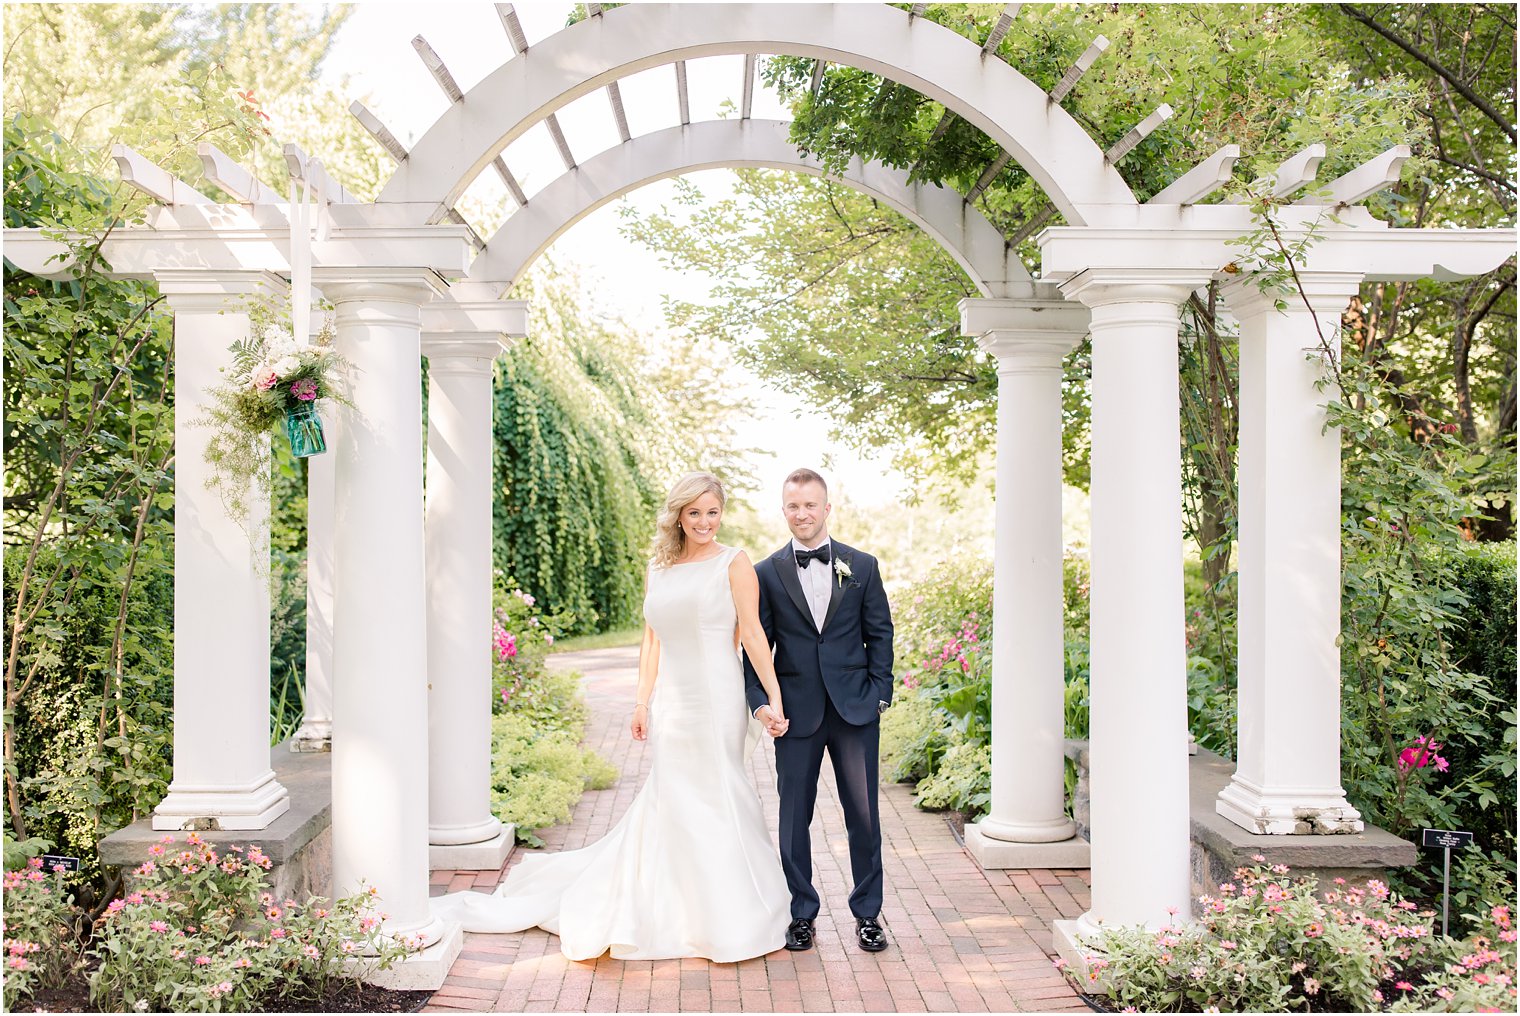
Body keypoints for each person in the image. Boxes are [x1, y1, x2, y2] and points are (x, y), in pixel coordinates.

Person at [431, 471, 792, 961]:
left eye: (712, 511)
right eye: (694, 513)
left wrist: (772, 697)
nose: (705, 522)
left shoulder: (734, 563)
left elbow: (752, 633)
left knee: (718, 792)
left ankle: (728, 912)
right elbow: (651, 641)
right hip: (673, 703)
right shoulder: (658, 568)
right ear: (678, 517)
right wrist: (642, 701)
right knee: (676, 797)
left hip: (718, 699)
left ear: (720, 513)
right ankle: (675, 905)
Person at [743, 467, 896, 954]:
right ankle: (800, 913)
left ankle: (868, 915)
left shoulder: (863, 565)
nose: (802, 513)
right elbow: (754, 649)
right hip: (795, 715)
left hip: (855, 710)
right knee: (793, 818)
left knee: (864, 816)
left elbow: (881, 633)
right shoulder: (765, 573)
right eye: (793, 505)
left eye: (811, 505)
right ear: (783, 509)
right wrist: (762, 704)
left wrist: (879, 694)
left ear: (827, 508)